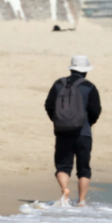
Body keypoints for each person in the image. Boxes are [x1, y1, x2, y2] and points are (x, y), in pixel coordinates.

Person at [44, 55, 102, 207]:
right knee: (84, 169)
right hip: (83, 132)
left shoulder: (58, 84)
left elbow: (49, 105)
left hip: (62, 131)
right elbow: (95, 110)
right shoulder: (89, 86)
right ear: (85, 71)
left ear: (71, 69)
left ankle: (65, 190)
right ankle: (81, 201)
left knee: (63, 166)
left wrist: (58, 121)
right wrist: (89, 123)